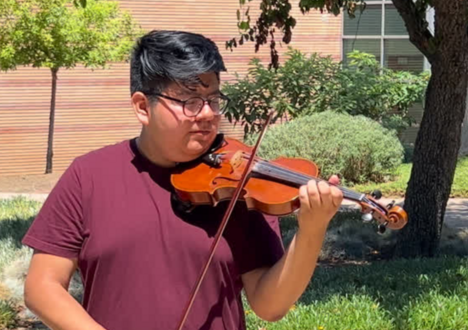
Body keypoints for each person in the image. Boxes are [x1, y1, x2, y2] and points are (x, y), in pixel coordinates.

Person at [21, 30, 343, 330]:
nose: (207, 114)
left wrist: (312, 230)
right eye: (189, 101)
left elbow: (269, 305)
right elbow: (42, 286)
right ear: (143, 107)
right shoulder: (88, 175)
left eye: (214, 100)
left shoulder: (239, 186)